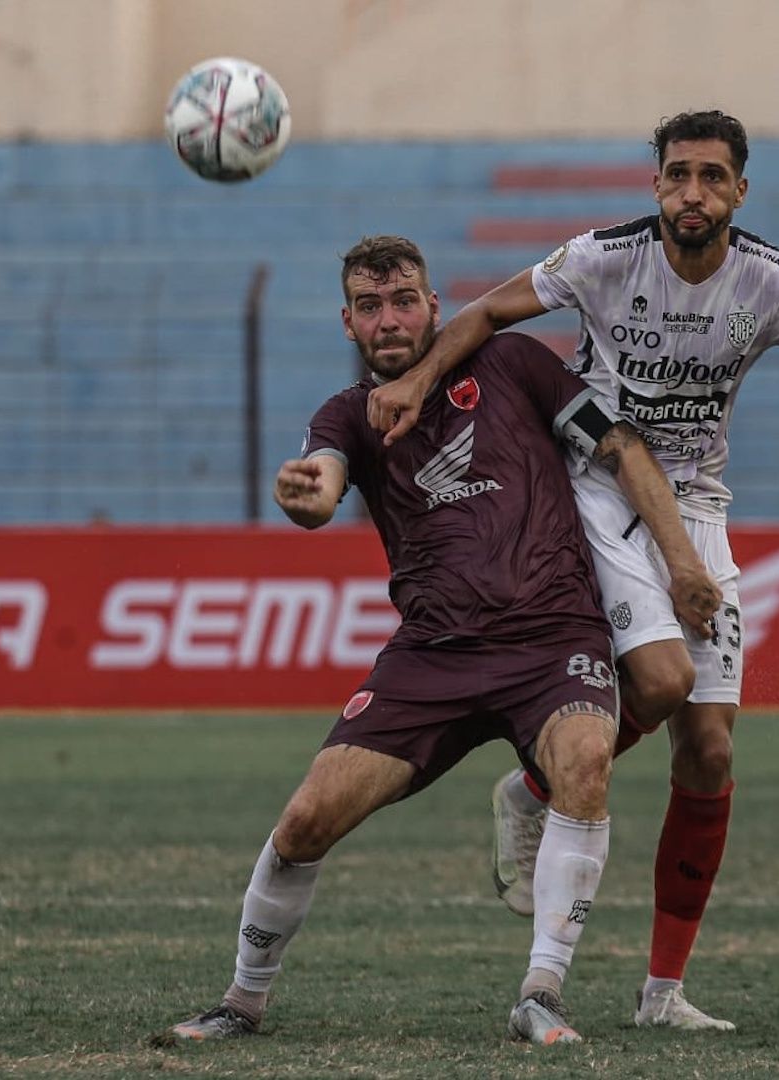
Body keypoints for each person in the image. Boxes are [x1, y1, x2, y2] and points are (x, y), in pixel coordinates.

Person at [364, 110, 779, 1032]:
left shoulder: (775, 281)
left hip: (698, 504)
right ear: (655, 184)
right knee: (659, 682)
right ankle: (539, 791)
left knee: (709, 751)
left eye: (711, 177)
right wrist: (417, 382)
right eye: (676, 175)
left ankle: (662, 991)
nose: (691, 193)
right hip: (597, 486)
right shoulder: (601, 257)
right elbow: (486, 312)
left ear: (741, 191)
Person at [161, 235, 721, 1048]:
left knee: (587, 764)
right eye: (369, 306)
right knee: (306, 820)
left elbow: (620, 446)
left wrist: (681, 561)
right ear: (347, 321)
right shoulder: (347, 415)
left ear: (433, 306)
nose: (388, 319)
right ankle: (241, 1003)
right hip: (433, 655)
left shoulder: (515, 365)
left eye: (403, 301)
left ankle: (542, 993)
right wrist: (303, 493)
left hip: (551, 636)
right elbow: (320, 486)